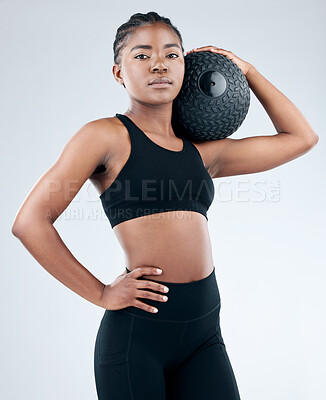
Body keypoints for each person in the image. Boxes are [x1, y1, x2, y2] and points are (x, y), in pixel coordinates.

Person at [11, 10, 318, 400]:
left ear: (185, 67)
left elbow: (301, 137)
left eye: (172, 54)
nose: (159, 63)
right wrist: (102, 293)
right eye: (141, 55)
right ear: (119, 73)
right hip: (139, 336)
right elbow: (30, 222)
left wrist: (247, 71)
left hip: (205, 333)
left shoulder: (201, 154)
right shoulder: (105, 136)